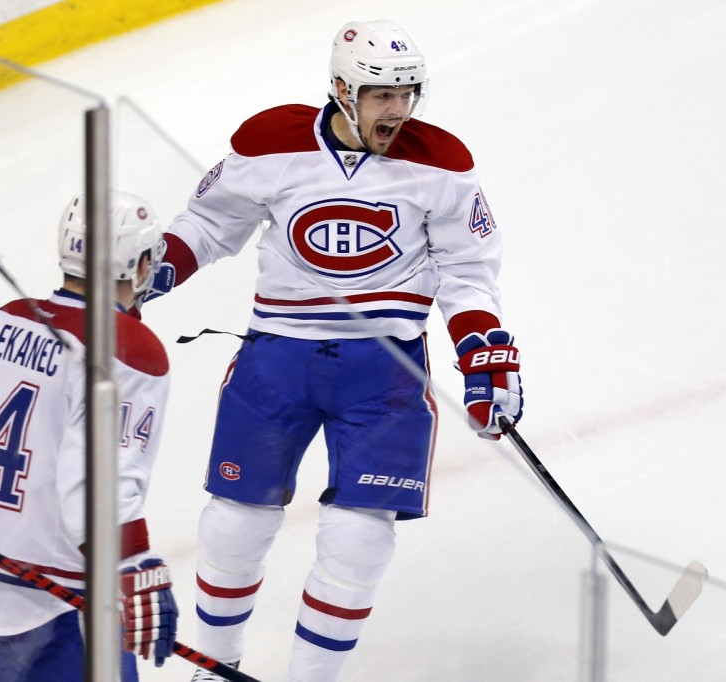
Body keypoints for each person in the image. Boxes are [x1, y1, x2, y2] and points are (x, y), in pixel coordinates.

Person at [147, 19, 523, 682]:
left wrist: (485, 358)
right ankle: (214, 668)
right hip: (277, 359)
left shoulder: (441, 163)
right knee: (234, 524)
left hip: (385, 372)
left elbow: (468, 273)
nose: (398, 109)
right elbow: (209, 223)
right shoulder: (271, 143)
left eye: (407, 94)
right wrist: (151, 273)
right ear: (343, 88)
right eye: (382, 94)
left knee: (359, 539)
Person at [0, 191, 179, 681]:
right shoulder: (127, 349)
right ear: (138, 264)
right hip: (55, 592)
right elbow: (96, 481)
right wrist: (134, 561)